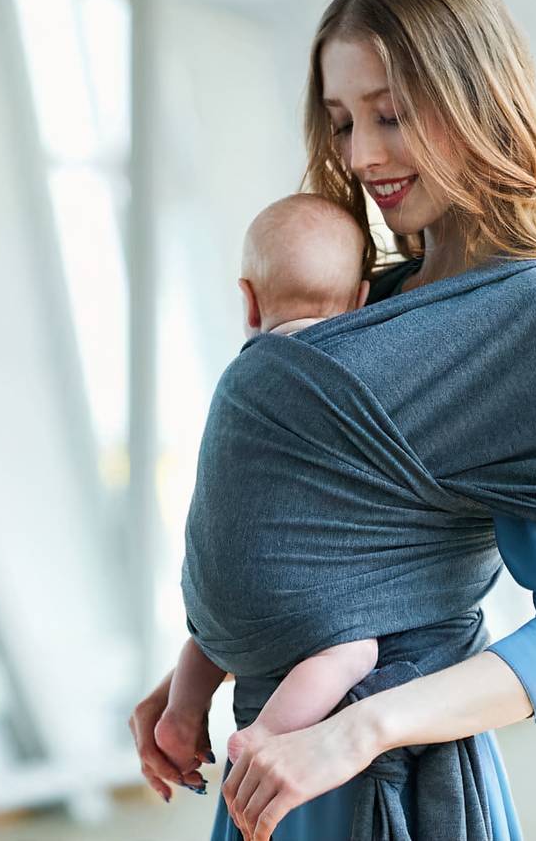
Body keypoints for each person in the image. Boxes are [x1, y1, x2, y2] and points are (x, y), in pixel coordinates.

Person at [128, 0, 536, 841]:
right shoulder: (366, 297)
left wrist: (359, 732)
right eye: (340, 122)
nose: (362, 156)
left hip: (387, 781)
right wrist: (196, 675)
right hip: (276, 771)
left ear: (475, 100)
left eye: (391, 116)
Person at [159, 192, 381, 776]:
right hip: (296, 604)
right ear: (361, 301)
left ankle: (181, 712)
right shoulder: (356, 379)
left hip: (210, 600)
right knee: (355, 649)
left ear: (250, 301)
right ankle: (263, 736)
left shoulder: (239, 379)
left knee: (212, 636)